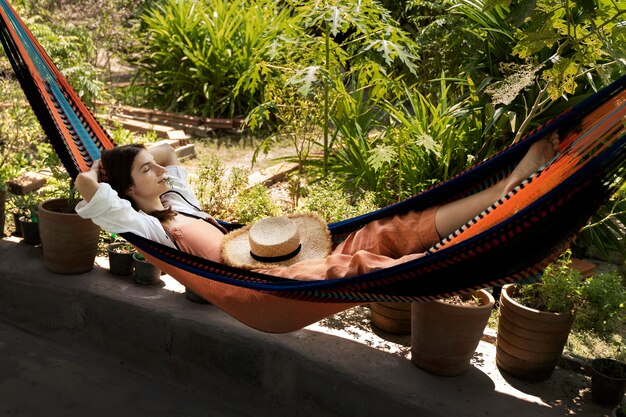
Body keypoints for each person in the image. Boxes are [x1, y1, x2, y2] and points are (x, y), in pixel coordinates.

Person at [75, 135, 559, 332]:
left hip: (279, 267)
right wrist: (103, 172)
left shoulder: (177, 200)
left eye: (155, 167)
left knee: (384, 230)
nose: (160, 169)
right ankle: (465, 255)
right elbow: (91, 192)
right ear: (127, 190)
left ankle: (505, 189)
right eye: (146, 170)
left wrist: (137, 159)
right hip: (264, 293)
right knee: (364, 266)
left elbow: (166, 151)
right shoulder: (148, 227)